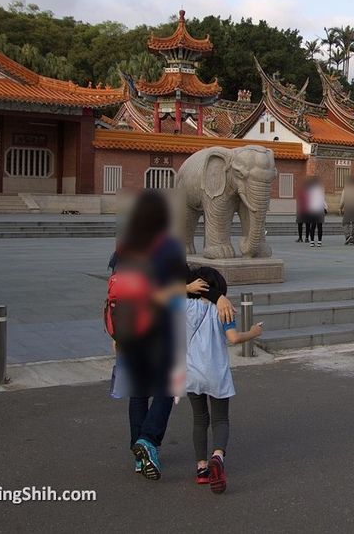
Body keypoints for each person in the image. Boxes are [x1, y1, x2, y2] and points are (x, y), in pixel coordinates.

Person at [108, 190, 189, 480]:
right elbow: (180, 288)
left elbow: (115, 287)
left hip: (128, 328)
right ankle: (148, 440)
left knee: (139, 392)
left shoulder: (125, 245)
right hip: (158, 328)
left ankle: (138, 453)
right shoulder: (168, 246)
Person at [183, 266, 262, 494]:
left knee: (199, 419)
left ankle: (201, 469)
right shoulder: (223, 310)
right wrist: (254, 332)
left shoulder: (184, 306)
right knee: (220, 419)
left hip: (191, 372)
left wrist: (185, 288)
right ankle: (218, 457)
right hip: (216, 372)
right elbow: (234, 338)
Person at [305, 176, 327, 247]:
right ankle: (319, 242)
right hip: (320, 210)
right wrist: (326, 207)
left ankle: (312, 241)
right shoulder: (321, 189)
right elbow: (322, 200)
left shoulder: (310, 190)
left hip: (312, 209)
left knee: (312, 226)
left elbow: (308, 201)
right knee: (320, 226)